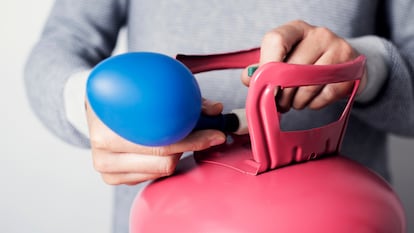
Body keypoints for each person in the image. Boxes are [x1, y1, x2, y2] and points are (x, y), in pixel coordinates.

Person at [25, 0, 414, 232]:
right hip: (170, 220)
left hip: (344, 219)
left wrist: (368, 67)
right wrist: (86, 104)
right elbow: (59, 46)